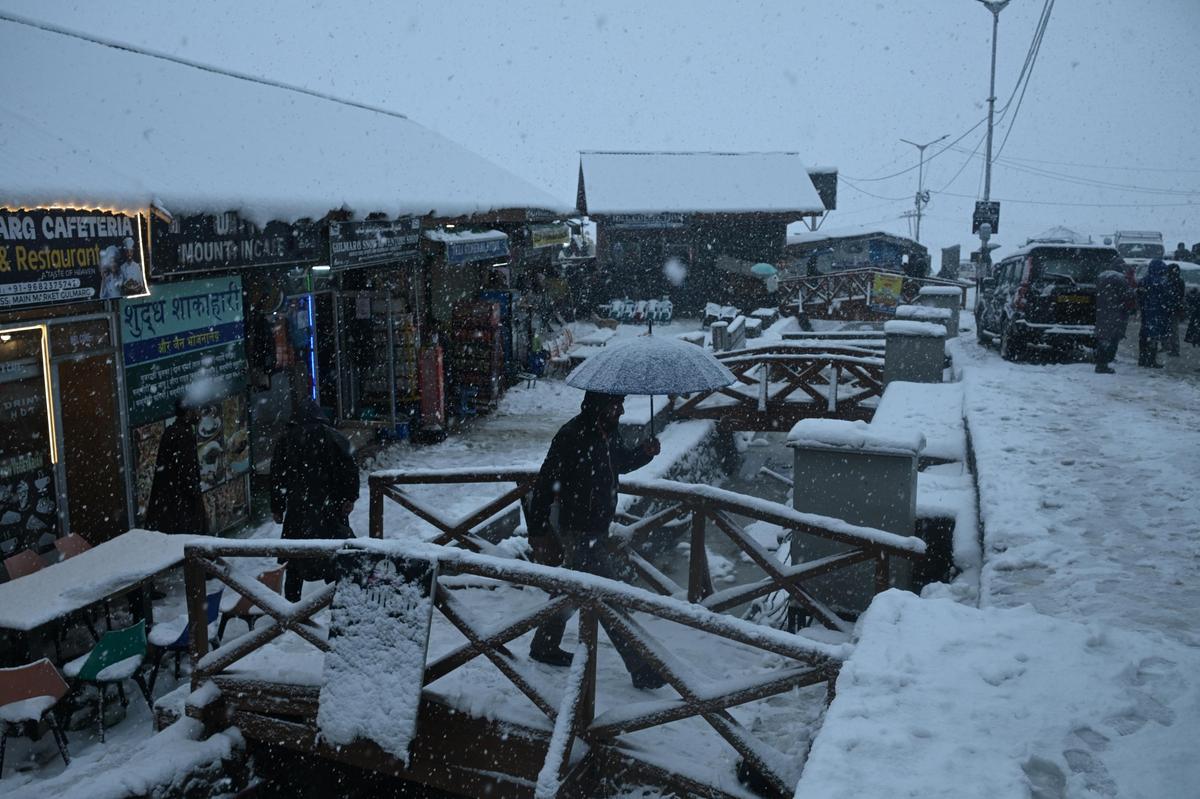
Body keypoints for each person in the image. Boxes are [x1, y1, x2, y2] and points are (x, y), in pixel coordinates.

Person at [525, 391, 664, 688]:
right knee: (610, 597)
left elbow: (621, 464)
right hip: (579, 530)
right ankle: (639, 667)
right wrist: (537, 531)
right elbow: (546, 483)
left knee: (570, 590)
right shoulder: (572, 435)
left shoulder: (607, 434)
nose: (623, 410)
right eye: (617, 404)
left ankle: (544, 645)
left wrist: (644, 452)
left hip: (597, 528)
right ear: (600, 406)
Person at [270, 398, 359, 601]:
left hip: (298, 510)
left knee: (295, 559)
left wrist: (277, 506)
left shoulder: (286, 440)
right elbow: (350, 470)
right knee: (332, 554)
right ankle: (336, 600)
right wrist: (349, 497)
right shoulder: (334, 437)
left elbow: (277, 476)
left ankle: (291, 610)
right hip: (330, 508)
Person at [145, 398, 207, 534]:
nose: (200, 414)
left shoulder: (173, 432)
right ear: (189, 412)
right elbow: (187, 475)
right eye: (197, 410)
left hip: (168, 508)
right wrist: (197, 505)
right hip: (178, 511)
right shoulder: (183, 435)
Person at [1094, 266, 1133, 374]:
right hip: (1116, 312)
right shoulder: (1120, 279)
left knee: (1103, 337)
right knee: (1111, 337)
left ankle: (1101, 362)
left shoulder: (1101, 277)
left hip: (1102, 311)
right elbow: (1128, 295)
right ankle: (1103, 364)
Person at [1137, 259, 1172, 368]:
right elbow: (1167, 297)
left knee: (1145, 334)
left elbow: (1139, 295)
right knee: (1154, 336)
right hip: (1158, 312)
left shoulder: (1144, 280)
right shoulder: (1162, 282)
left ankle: (1142, 358)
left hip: (1147, 311)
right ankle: (1151, 359)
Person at [1165, 263, 1186, 357]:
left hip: (1172, 308)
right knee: (1172, 329)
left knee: (1172, 330)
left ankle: (1174, 349)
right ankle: (1171, 347)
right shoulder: (1179, 280)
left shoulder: (1174, 281)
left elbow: (1177, 296)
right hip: (1174, 308)